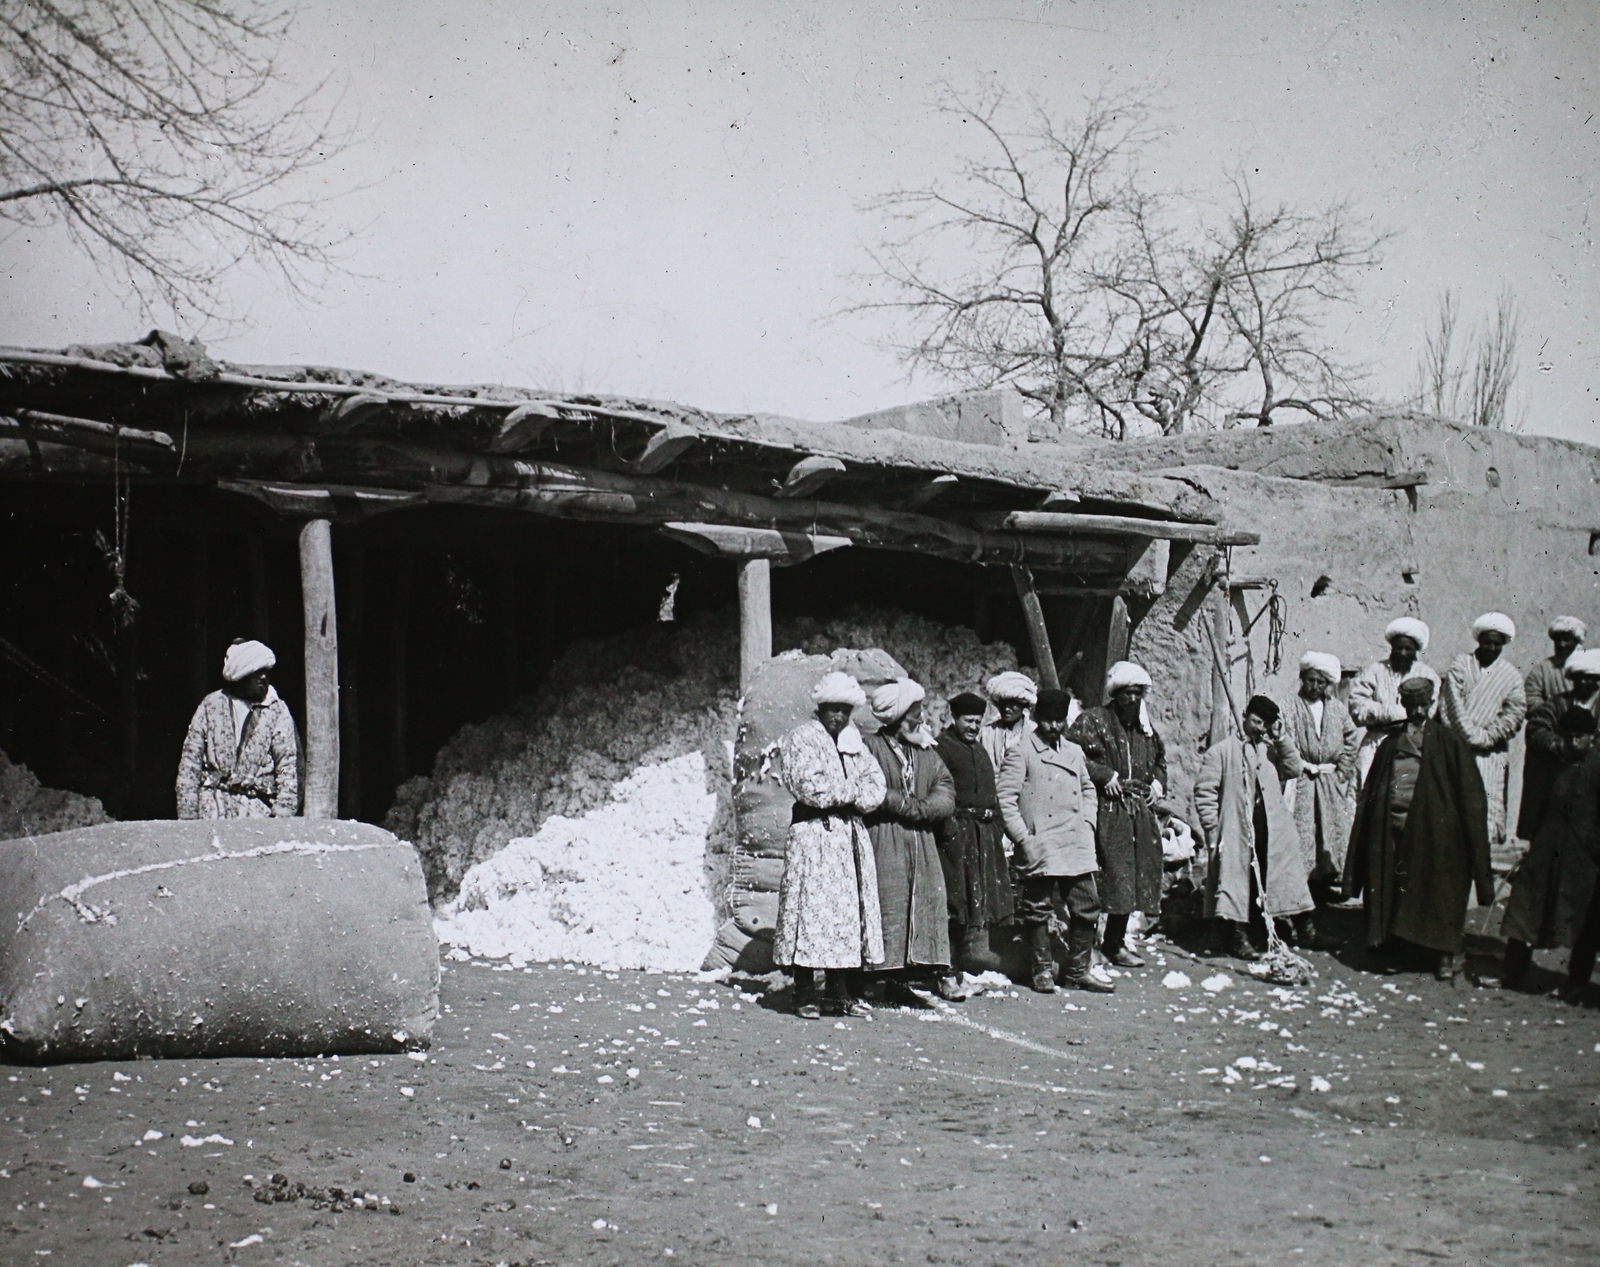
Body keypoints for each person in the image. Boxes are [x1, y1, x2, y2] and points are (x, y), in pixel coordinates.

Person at [1344, 677, 1492, 980]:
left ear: (1432, 703)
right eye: (1412, 705)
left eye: (1424, 705)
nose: (1419, 711)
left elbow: (1471, 795)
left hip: (1436, 833)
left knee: (1439, 888)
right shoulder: (1389, 744)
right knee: (1397, 884)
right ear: (1403, 705)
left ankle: (1445, 953)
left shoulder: (1449, 742)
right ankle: (1398, 944)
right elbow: (1372, 792)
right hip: (1394, 827)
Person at [772, 671, 888, 1019]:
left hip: (848, 839)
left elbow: (876, 785)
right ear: (820, 709)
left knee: (844, 916)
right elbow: (811, 787)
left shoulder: (854, 743)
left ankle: (838, 991)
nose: (838, 717)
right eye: (832, 710)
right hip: (814, 838)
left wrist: (850, 794)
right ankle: (804, 991)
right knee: (810, 912)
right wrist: (852, 792)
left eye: (844, 711)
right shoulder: (801, 739)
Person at [997, 688, 1112, 995]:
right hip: (1041, 842)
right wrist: (1023, 837)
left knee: (1087, 905)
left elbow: (1088, 790)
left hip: (1075, 841)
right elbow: (1005, 799)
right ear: (1036, 719)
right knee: (1037, 908)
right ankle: (1042, 970)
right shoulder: (1021, 750)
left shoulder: (1074, 752)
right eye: (1047, 721)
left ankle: (1078, 972)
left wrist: (1088, 823)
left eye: (1059, 721)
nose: (1054, 727)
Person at [1194, 695, 1322, 960]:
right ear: (1244, 716)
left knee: (1286, 877)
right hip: (1237, 829)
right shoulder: (1222, 751)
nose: (1260, 728)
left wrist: (1281, 738)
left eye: (1265, 724)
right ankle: (1237, 936)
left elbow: (1294, 768)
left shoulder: (1269, 750)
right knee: (1237, 882)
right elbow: (1204, 792)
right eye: (1256, 721)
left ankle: (1305, 930)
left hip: (1272, 827)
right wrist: (1212, 830)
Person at [862, 679, 957, 1000]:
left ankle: (902, 980)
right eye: (914, 713)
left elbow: (945, 789)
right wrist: (900, 804)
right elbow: (866, 789)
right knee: (887, 904)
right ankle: (871, 977)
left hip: (921, 842)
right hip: (883, 841)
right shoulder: (869, 748)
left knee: (923, 905)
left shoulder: (926, 751)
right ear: (895, 717)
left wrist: (922, 809)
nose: (921, 720)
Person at [1067, 662, 1167, 966]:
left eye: (1138, 694)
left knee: (1133, 877)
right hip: (1103, 810)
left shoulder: (1146, 731)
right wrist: (1103, 774)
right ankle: (1088, 945)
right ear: (1115, 695)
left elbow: (1160, 761)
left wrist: (1157, 787)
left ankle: (1114, 941)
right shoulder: (1093, 722)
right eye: (1126, 694)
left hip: (1137, 813)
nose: (1132, 700)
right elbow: (1070, 754)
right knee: (1101, 876)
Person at [1499, 706, 1599, 998]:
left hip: (1582, 860)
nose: (1572, 743)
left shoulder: (1598, 767)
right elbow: (1541, 803)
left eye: (1579, 737)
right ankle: (1513, 974)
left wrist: (1593, 847)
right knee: (1523, 909)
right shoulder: (1557, 763)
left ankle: (1577, 983)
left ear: (1592, 737)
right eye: (1567, 737)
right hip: (1546, 851)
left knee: (1584, 926)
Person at [934, 691, 1015, 976]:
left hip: (983, 836)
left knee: (973, 901)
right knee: (956, 902)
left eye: (978, 722)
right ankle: (948, 966)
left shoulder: (979, 750)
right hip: (957, 836)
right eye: (968, 721)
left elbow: (992, 794)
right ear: (954, 718)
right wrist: (951, 829)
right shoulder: (942, 748)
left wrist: (1000, 827)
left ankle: (964, 961)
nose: (973, 727)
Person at [176, 639, 299, 819]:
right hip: (211, 813)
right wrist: (188, 817)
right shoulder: (211, 705)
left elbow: (287, 767)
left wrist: (281, 816)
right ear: (241, 675)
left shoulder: (276, 711)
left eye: (266, 672)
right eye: (257, 672)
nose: (263, 678)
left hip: (258, 816)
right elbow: (190, 764)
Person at [1439, 612, 1527, 854]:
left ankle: (1481, 853)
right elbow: (1451, 705)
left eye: (1497, 643)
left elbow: (1516, 711)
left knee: (1486, 803)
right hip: (1458, 747)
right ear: (1479, 641)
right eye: (1487, 641)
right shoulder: (1460, 665)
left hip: (1490, 752)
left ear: (1504, 644)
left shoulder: (1511, 676)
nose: (1491, 647)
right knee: (1455, 801)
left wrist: (1488, 737)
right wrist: (1470, 736)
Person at [1284, 651, 1358, 900]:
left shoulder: (1336, 709)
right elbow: (1283, 741)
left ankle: (1326, 879)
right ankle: (1302, 885)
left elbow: (1351, 739)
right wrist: (1297, 767)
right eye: (1310, 680)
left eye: (1320, 682)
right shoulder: (1289, 707)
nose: (1314, 687)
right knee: (1303, 830)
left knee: (1331, 829)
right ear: (1302, 678)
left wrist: (1342, 772)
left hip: (1329, 780)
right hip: (1302, 779)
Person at [1516, 647, 1600, 844]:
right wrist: (1558, 745)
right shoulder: (1557, 703)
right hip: (1562, 775)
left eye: (1592, 677)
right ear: (1572, 678)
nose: (1586, 682)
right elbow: (1537, 728)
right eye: (1580, 676)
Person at [1348, 617, 1440, 785]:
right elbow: (1357, 707)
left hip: (1412, 745)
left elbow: (1429, 712)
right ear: (1391, 647)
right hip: (1376, 742)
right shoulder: (1374, 671)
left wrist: (1396, 716)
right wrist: (1393, 714)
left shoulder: (1428, 675)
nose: (1403, 653)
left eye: (1408, 648)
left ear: (1416, 650)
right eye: (1399, 647)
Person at [980, 671, 1040, 783]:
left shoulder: (1035, 732)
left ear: (1023, 704)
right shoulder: (987, 732)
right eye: (1003, 703)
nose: (1007, 709)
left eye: (1013, 704)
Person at [1523, 616, 1586, 718]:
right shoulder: (1542, 670)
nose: (1561, 644)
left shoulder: (1590, 668)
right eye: (1558, 640)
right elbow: (1530, 700)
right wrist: (1554, 714)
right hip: (1552, 727)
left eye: (1567, 640)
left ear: (1576, 642)